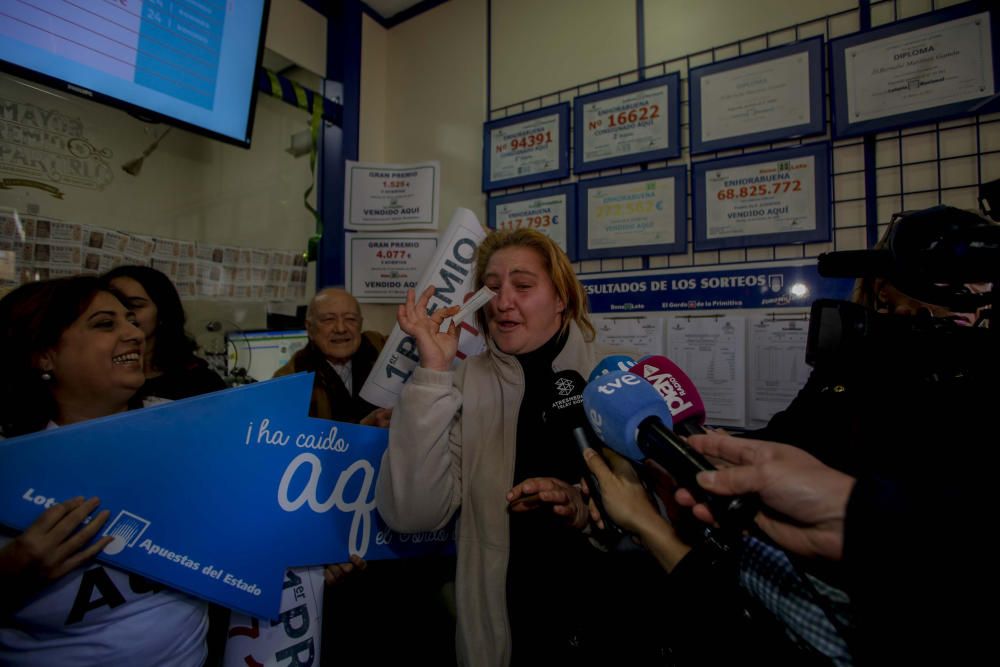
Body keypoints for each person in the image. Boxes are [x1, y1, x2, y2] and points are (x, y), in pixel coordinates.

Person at [376, 228, 670, 665]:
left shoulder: (617, 373)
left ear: (561, 299)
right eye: (491, 287)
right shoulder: (458, 383)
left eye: (524, 285)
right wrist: (433, 373)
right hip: (503, 634)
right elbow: (411, 514)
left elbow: (666, 516)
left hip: (611, 619)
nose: (502, 300)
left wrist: (583, 508)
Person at [0, 276, 208, 664]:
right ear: (44, 355)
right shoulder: (10, 468)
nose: (134, 333)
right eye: (105, 324)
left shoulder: (191, 428)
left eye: (132, 319)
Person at [103, 265, 226, 404]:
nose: (125, 316)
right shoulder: (96, 381)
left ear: (163, 312)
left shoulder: (200, 382)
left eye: (134, 305)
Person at [274, 287, 390, 427]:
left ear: (360, 324)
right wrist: (363, 429)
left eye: (350, 319)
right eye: (329, 320)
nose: (341, 329)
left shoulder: (379, 347)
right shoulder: (288, 382)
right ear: (310, 328)